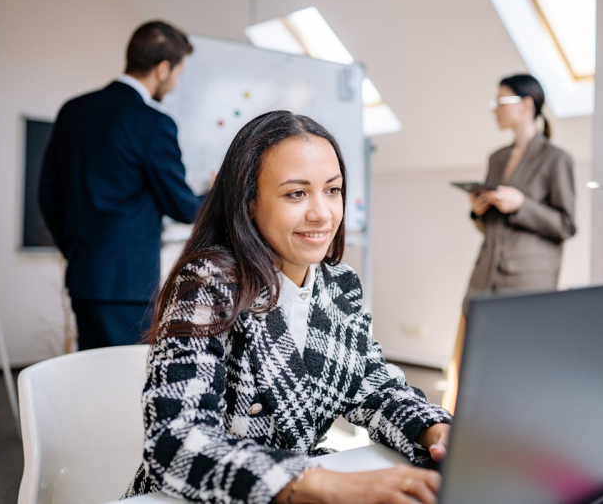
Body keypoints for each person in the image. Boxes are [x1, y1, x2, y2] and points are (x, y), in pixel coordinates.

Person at [124, 111, 452, 504]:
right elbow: (175, 444)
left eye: (333, 190)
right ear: (249, 202)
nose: (322, 213)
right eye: (296, 193)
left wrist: (433, 429)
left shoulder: (340, 284)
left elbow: (372, 386)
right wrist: (320, 483)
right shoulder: (206, 282)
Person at [38, 21, 205, 350]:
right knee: (125, 383)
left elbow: (48, 196)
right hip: (129, 287)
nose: (174, 84)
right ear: (162, 69)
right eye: (177, 74)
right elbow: (184, 207)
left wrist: (75, 250)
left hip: (84, 277)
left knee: (90, 375)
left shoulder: (73, 111)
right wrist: (218, 190)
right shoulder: (153, 123)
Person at [443, 74, 577, 412]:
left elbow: (565, 224)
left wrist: (522, 204)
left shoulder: (556, 159)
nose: (495, 110)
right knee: (471, 361)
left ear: (527, 105)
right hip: (485, 274)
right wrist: (479, 212)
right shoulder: (497, 157)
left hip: (527, 281)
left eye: (501, 102)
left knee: (518, 371)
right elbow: (492, 227)